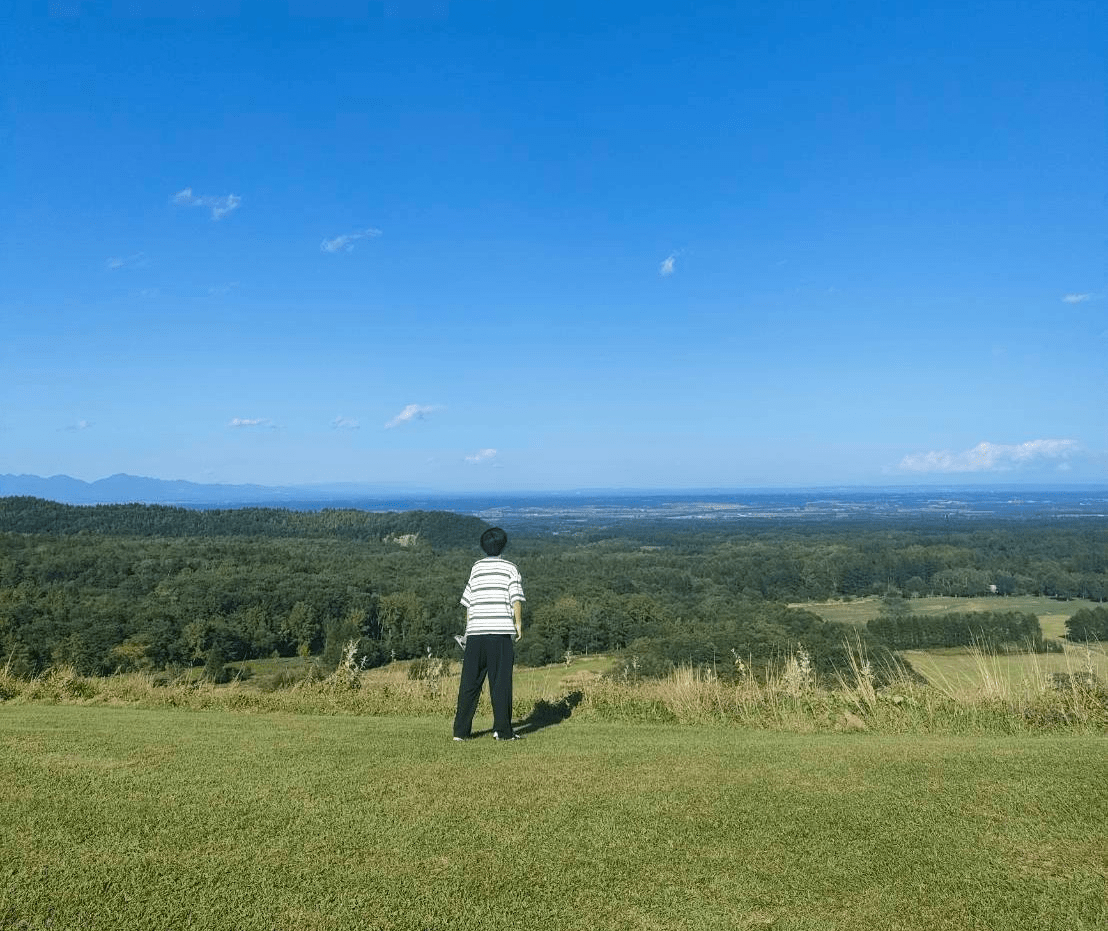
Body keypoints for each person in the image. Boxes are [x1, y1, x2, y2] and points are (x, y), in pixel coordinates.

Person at [452, 527, 524, 741]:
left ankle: (460, 732)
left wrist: (467, 631)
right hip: (500, 633)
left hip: (475, 632)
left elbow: (469, 603)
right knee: (500, 684)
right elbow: (516, 599)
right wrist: (518, 624)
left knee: (469, 684)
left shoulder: (476, 568)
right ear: (503, 545)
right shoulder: (510, 568)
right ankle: (502, 731)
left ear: (483, 546)